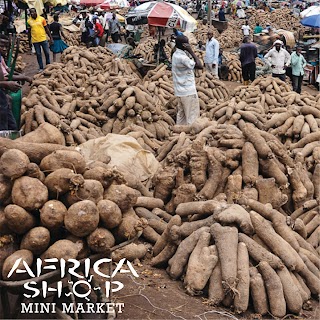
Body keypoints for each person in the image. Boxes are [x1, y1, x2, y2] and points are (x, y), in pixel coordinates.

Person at [171, 35, 203, 125]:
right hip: (188, 92)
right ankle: (191, 137)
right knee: (192, 118)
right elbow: (200, 65)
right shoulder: (183, 58)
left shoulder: (175, 54)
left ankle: (179, 134)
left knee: (181, 117)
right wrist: (191, 51)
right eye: (187, 43)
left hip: (180, 92)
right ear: (184, 45)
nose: (189, 44)